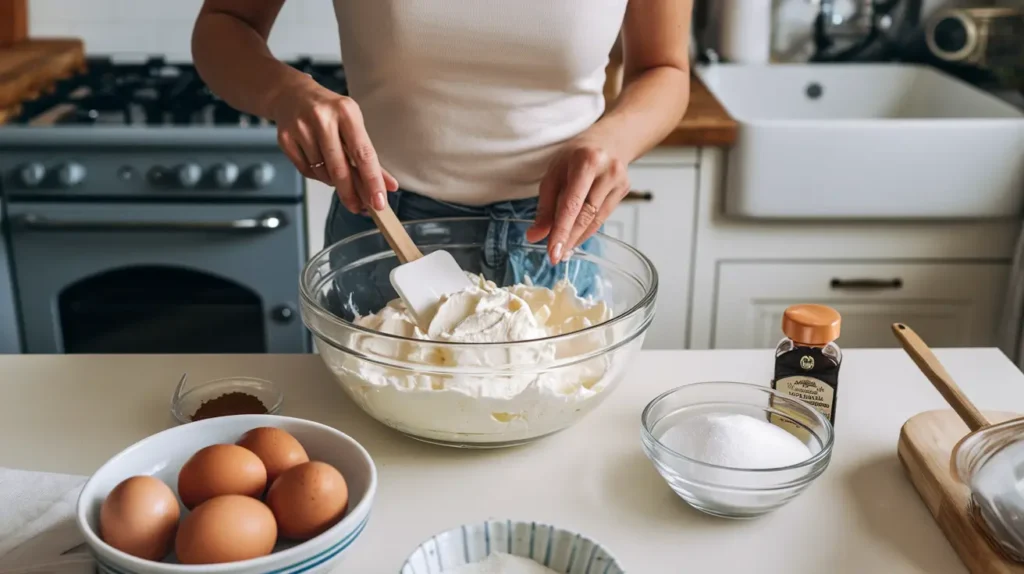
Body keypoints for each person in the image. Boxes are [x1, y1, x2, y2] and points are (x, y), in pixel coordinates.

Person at [192, 1, 691, 300]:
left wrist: (614, 137)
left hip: (557, 235)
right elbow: (226, 21)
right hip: (385, 229)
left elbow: (663, 68)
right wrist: (285, 94)